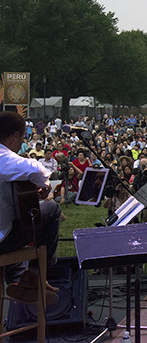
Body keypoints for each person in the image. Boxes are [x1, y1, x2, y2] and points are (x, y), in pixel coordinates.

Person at [0, 111, 61, 305]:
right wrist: (44, 185)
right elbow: (38, 170)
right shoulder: (4, 158)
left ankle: (18, 281)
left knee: (18, 223)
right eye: (22, 138)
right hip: (2, 240)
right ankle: (34, 275)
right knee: (52, 210)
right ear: (16, 135)